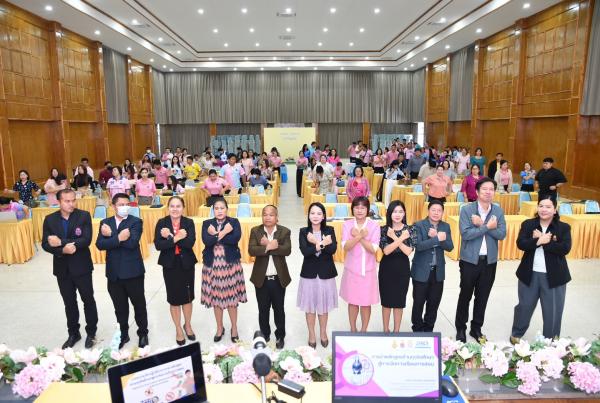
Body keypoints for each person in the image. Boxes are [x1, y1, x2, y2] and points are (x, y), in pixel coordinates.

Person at [41, 189, 98, 349]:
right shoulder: (50, 219)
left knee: (88, 300)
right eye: (67, 201)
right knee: (69, 302)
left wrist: (60, 242)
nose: (71, 204)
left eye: (73, 200)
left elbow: (86, 240)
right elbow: (45, 244)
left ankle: (91, 332)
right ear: (59, 202)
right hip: (62, 269)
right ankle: (73, 333)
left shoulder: (83, 216)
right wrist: (62, 250)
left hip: (82, 267)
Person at [510, 197, 571, 343]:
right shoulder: (528, 224)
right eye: (541, 206)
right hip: (529, 274)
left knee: (553, 310)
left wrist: (544, 241)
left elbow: (564, 248)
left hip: (555, 276)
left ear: (555, 210)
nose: (544, 209)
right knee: (524, 306)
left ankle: (551, 341)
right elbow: (521, 244)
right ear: (537, 208)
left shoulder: (563, 227)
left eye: (548, 207)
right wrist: (538, 241)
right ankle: (516, 334)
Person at [455, 178, 507, 343]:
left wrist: (482, 224)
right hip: (470, 261)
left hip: (489, 262)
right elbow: (466, 234)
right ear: (477, 192)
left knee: (482, 296)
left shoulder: (498, 211)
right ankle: (461, 328)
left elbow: (502, 234)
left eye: (491, 189)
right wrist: (488, 227)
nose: (488, 192)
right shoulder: (467, 210)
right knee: (465, 295)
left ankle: (476, 328)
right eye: (484, 189)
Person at [96, 193, 148, 349]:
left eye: (127, 204)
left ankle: (143, 333)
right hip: (114, 274)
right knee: (120, 308)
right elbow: (100, 244)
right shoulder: (105, 223)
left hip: (133, 272)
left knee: (139, 305)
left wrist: (112, 236)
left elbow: (132, 243)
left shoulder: (135, 221)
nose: (125, 207)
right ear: (113, 206)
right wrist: (119, 238)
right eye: (121, 204)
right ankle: (123, 334)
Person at [201, 198, 247, 343]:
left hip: (230, 266)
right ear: (213, 210)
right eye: (216, 208)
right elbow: (207, 241)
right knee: (216, 299)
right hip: (212, 266)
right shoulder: (206, 223)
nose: (219, 211)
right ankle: (219, 327)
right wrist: (224, 232)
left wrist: (215, 234)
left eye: (222, 208)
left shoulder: (234, 222)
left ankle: (234, 327)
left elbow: (234, 240)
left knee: (232, 298)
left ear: (227, 209)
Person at [154, 196, 198, 345]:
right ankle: (178, 328)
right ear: (168, 208)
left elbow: (190, 243)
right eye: (172, 206)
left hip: (186, 264)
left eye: (178, 206)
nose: (175, 209)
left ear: (183, 208)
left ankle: (188, 325)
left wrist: (169, 237)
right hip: (170, 265)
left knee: (187, 297)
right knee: (174, 298)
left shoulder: (188, 222)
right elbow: (158, 245)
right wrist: (176, 238)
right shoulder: (162, 223)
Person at [248, 206, 292, 349]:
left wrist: (267, 245)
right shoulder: (255, 231)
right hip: (261, 279)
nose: (268, 217)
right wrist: (269, 246)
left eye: (271, 215)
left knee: (279, 309)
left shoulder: (284, 231)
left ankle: (280, 335)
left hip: (278, 279)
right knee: (263, 309)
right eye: (265, 214)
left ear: (276, 217)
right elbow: (252, 250)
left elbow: (287, 250)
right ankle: (265, 335)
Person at [298, 202, 338, 348]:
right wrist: (322, 243)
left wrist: (315, 243)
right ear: (308, 215)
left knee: (323, 305)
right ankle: (311, 334)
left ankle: (323, 332)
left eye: (319, 213)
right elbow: (305, 252)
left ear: (323, 216)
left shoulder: (329, 230)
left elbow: (332, 250)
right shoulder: (304, 232)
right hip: (309, 274)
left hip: (325, 273)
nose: (315, 216)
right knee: (310, 307)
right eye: (312, 213)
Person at [411, 200, 454, 332]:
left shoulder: (445, 226)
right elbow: (418, 246)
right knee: (418, 302)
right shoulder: (418, 225)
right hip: (421, 271)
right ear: (428, 211)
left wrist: (439, 239)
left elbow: (450, 247)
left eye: (439, 210)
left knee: (434, 303)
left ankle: (429, 329)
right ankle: (417, 329)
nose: (436, 213)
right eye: (433, 210)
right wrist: (436, 239)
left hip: (438, 271)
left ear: (442, 213)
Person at [340, 197, 381, 332]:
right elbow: (346, 247)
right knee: (352, 302)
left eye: (363, 208)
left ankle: (364, 330)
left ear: (367, 210)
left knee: (365, 303)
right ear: (352, 209)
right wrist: (359, 236)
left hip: (367, 271)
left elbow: (373, 249)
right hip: (351, 270)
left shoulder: (374, 225)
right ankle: (353, 329)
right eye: (357, 207)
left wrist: (359, 237)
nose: (359, 210)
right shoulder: (347, 225)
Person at [379, 201, 415, 332]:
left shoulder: (410, 229)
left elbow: (408, 251)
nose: (398, 214)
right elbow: (386, 251)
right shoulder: (383, 229)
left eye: (400, 211)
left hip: (402, 268)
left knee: (399, 301)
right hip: (386, 268)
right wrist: (400, 238)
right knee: (386, 301)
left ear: (404, 213)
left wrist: (394, 237)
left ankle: (396, 331)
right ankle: (385, 330)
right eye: (395, 211)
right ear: (390, 213)